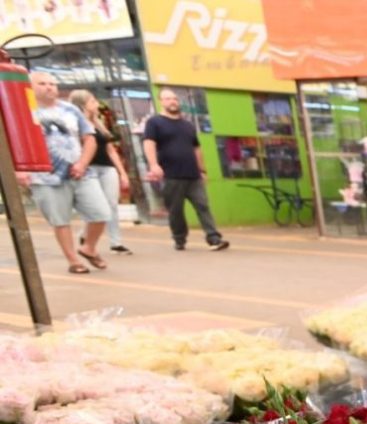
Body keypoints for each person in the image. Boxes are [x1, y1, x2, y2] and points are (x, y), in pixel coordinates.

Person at [21, 72, 111, 275]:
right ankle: (73, 260)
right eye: (43, 83)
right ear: (31, 87)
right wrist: (20, 170)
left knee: (101, 213)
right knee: (60, 220)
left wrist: (82, 163)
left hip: (80, 172)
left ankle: (88, 247)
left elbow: (89, 138)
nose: (49, 87)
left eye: (52, 83)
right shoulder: (24, 111)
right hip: (46, 177)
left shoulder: (70, 109)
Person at [143, 88, 228, 251]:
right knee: (176, 210)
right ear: (161, 102)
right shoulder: (155, 123)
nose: (172, 102)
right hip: (171, 175)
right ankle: (179, 239)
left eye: (174, 99)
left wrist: (202, 170)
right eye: (168, 99)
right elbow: (149, 143)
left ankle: (214, 238)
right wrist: (154, 165)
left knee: (203, 205)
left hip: (193, 175)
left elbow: (196, 149)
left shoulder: (187, 125)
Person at [68, 90, 132, 255]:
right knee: (97, 205)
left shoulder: (99, 124)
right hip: (89, 169)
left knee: (111, 204)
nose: (96, 104)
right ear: (82, 105)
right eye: (92, 101)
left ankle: (115, 242)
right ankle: (85, 235)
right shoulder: (75, 125)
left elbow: (111, 150)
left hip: (107, 168)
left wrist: (122, 173)